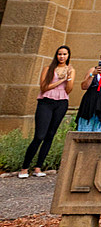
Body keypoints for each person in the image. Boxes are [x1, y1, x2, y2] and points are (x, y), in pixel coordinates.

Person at [19, 45, 75, 178]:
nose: (62, 56)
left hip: (61, 102)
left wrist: (69, 77)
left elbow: (68, 89)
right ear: (56, 55)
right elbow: (44, 87)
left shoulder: (71, 70)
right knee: (39, 135)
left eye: (65, 54)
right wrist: (61, 80)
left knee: (50, 135)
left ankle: (38, 167)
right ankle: (24, 168)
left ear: (68, 56)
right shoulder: (48, 69)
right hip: (46, 102)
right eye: (60, 54)